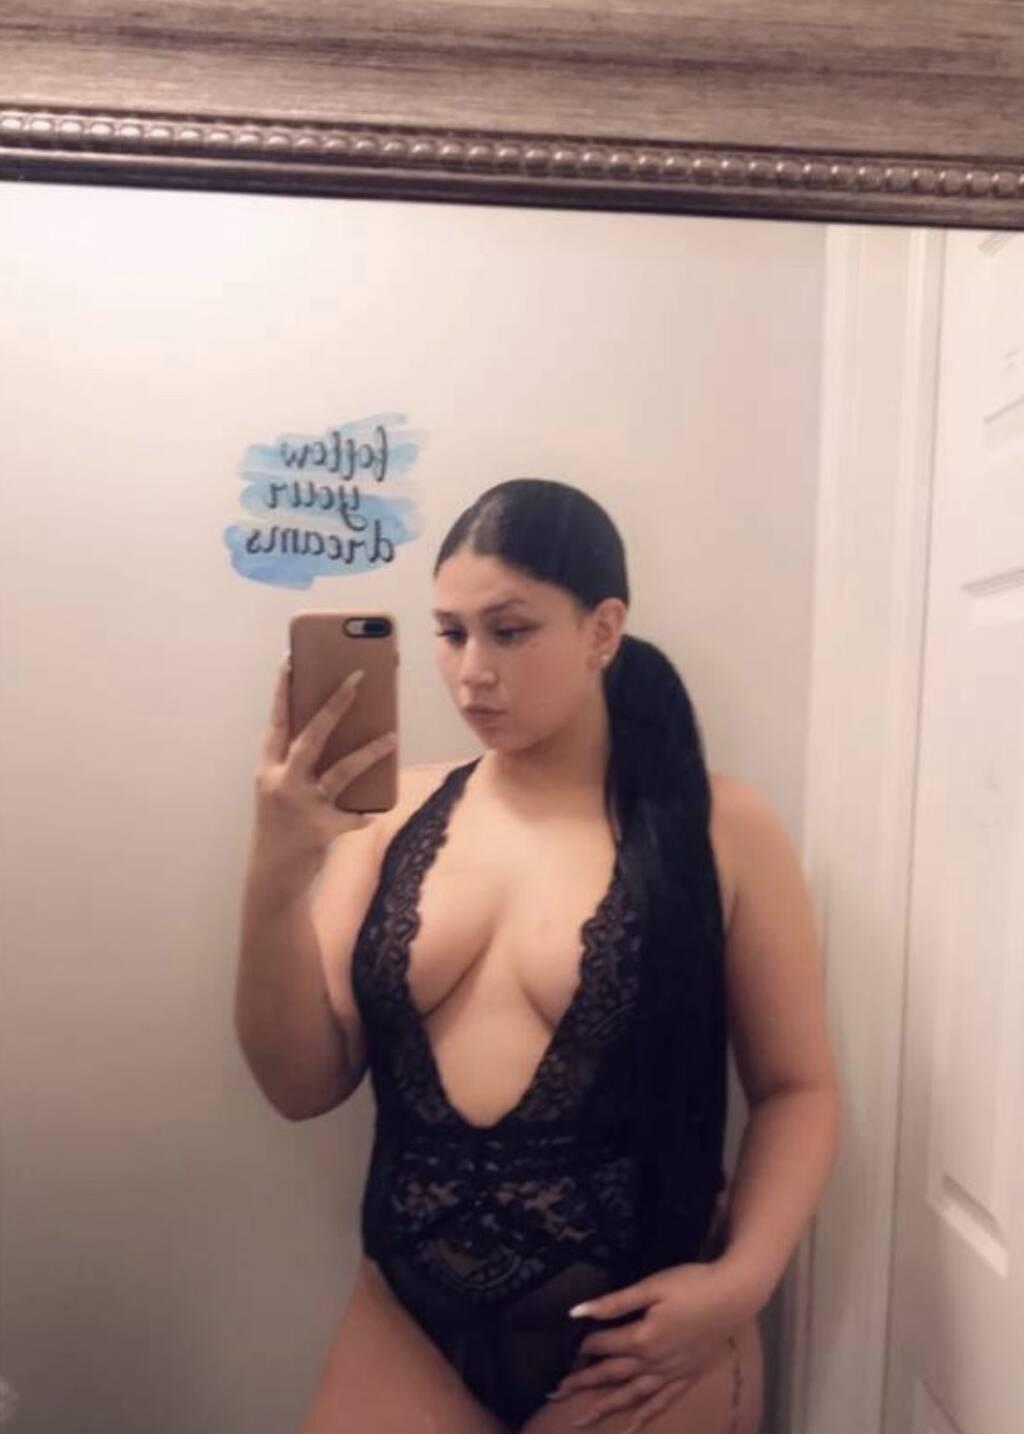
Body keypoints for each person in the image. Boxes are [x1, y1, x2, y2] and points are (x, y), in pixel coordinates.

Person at [235, 478, 841, 1434]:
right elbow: (300, 1085)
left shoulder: (719, 826)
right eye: (450, 634)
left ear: (603, 629)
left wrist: (742, 1284)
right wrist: (275, 872)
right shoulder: (387, 819)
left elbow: (799, 1089)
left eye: (509, 632)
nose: (471, 672)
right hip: (406, 1328)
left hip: (643, 1346)